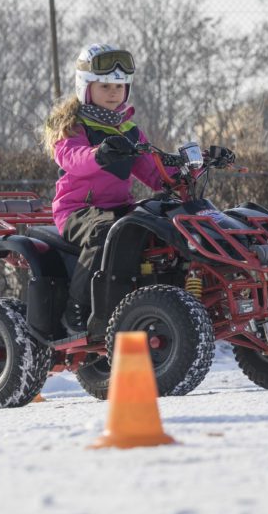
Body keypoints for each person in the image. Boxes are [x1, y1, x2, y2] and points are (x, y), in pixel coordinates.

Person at [41, 44, 171, 335]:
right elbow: (72, 158)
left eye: (119, 86)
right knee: (104, 233)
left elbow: (152, 169)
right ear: (86, 87)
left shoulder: (129, 130)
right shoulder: (73, 126)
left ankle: (147, 299)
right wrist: (99, 153)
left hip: (118, 207)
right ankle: (76, 309)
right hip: (77, 210)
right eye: (105, 86)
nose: (114, 92)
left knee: (158, 222)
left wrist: (183, 174)